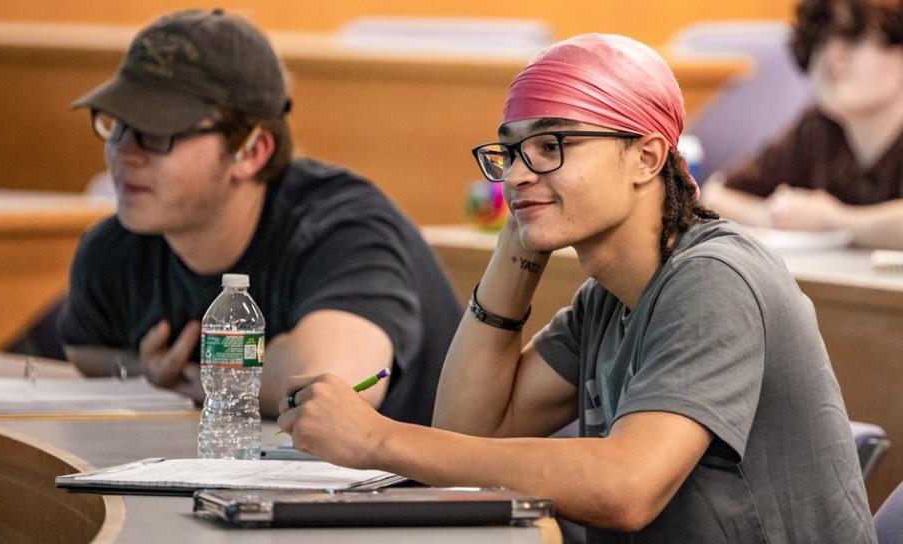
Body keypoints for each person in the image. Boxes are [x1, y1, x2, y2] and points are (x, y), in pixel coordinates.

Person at [275, 34, 876, 542]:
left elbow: (625, 487)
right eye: (509, 153)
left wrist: (377, 438)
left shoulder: (714, 280)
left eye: (550, 146)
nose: (516, 173)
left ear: (645, 157)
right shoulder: (607, 299)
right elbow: (470, 435)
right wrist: (521, 241)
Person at [59, 9, 462, 424]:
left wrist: (198, 380)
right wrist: (146, 372)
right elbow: (84, 348)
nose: (124, 152)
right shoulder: (119, 244)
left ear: (250, 152)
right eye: (118, 124)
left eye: (158, 133)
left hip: (421, 486)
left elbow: (336, 385)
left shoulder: (343, 226)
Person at [702, 0, 903, 249]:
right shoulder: (817, 127)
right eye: (821, 39)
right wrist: (775, 216)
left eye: (855, 38)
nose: (832, 55)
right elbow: (716, 194)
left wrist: (834, 221)